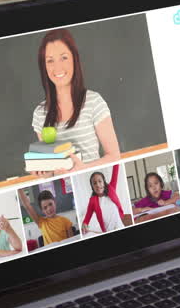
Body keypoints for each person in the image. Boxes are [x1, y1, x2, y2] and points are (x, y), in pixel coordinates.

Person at [30, 29, 121, 177]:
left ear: (74, 59)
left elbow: (114, 156)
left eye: (64, 58)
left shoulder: (93, 102)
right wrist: (42, 172)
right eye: (50, 60)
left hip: (92, 181)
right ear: (44, 66)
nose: (57, 67)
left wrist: (84, 167)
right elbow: (51, 168)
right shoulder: (40, 114)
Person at [81, 171, 125, 235]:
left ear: (104, 182)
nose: (98, 185)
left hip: (121, 228)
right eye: (94, 183)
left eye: (100, 181)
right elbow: (87, 218)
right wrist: (84, 224)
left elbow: (116, 169)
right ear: (92, 187)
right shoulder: (92, 201)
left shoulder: (111, 188)